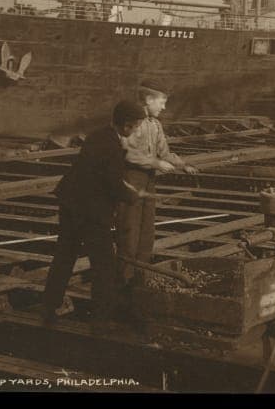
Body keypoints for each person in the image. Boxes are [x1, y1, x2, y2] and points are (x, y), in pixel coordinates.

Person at [40, 100, 148, 329]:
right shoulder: (113, 146)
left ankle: (48, 309)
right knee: (104, 266)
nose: (137, 130)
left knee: (64, 257)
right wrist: (133, 195)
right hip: (91, 211)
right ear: (127, 125)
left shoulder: (98, 135)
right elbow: (112, 183)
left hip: (70, 203)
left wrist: (122, 186)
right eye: (136, 126)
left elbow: (98, 173)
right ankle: (100, 320)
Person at [116, 82, 199, 286]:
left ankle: (140, 277)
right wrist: (155, 162)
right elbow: (126, 153)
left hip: (148, 180)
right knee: (129, 231)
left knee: (146, 231)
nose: (163, 107)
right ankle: (124, 280)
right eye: (161, 102)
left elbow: (164, 152)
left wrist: (183, 164)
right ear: (148, 100)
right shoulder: (133, 122)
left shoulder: (155, 125)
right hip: (131, 179)